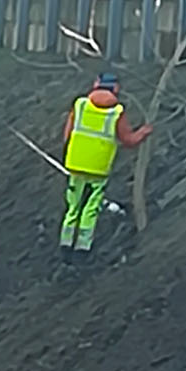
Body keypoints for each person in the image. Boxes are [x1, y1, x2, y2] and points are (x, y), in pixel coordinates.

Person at [59, 72, 129, 255]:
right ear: (116, 88)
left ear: (96, 84)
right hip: (99, 168)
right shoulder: (117, 112)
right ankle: (83, 248)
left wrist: (67, 154)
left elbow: (67, 135)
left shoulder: (80, 105)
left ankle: (65, 244)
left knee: (73, 206)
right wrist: (145, 131)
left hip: (75, 163)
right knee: (91, 208)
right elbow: (128, 140)